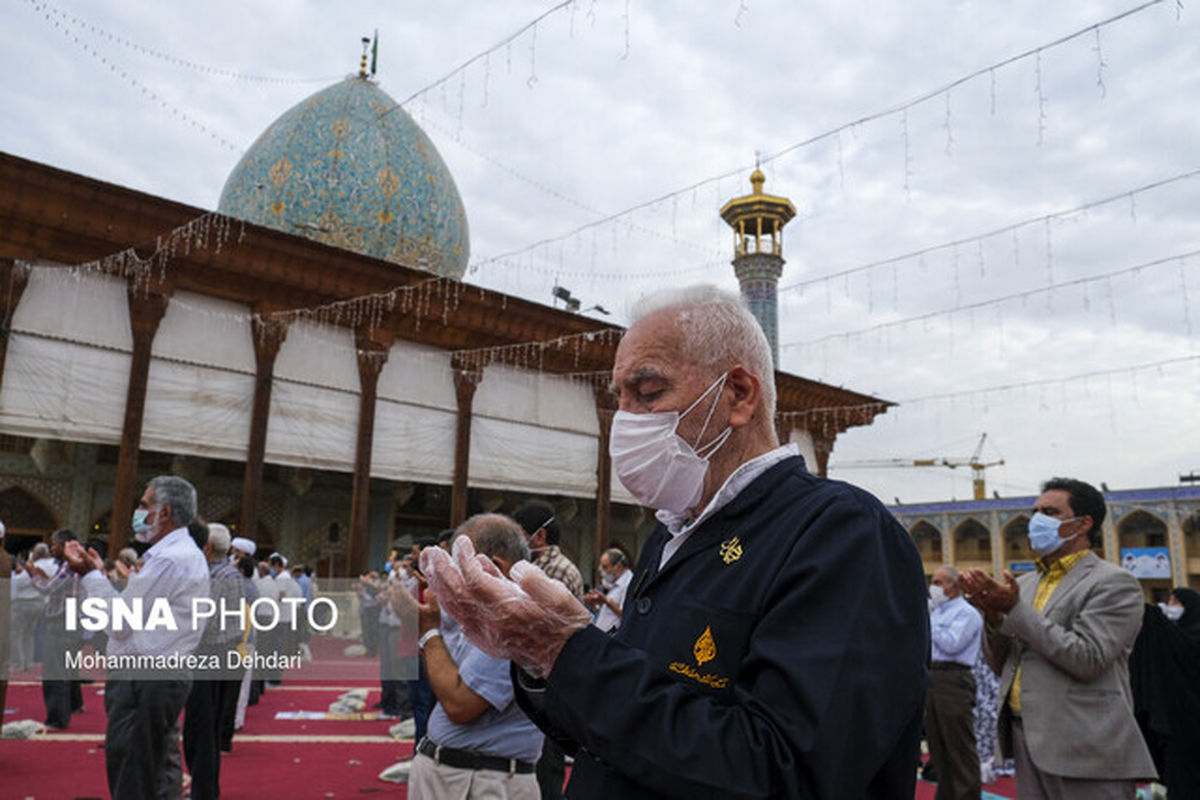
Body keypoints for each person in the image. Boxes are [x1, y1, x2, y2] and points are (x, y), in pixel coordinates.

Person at [422, 285, 930, 799]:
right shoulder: (671, 536)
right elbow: (619, 727)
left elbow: (784, 772)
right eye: (618, 399)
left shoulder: (841, 534)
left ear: (739, 395)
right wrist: (535, 658)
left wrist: (566, 651)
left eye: (648, 393)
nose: (625, 420)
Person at [961, 477, 1157, 799]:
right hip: (1027, 735)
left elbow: (1088, 658)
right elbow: (1003, 665)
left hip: (1084, 742)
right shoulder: (1024, 585)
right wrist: (994, 618)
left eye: (1049, 512)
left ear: (1082, 524)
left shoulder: (1113, 583)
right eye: (1035, 511)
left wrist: (1014, 611)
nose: (1036, 520)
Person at [63, 475, 211, 800]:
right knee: (156, 770)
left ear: (165, 513)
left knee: (132, 770)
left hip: (146, 678)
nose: (139, 511)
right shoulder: (182, 553)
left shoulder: (170, 558)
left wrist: (90, 576)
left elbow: (120, 620)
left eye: (145, 505)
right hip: (159, 675)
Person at [401, 515, 544, 799]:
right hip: (463, 775)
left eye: (458, 567)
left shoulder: (513, 617)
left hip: (477, 780)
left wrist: (428, 632)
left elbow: (459, 704)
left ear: (495, 566)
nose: (452, 579)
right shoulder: (486, 613)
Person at [183, 522, 246, 800]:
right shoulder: (233, 573)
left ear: (206, 547)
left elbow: (206, 621)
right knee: (210, 723)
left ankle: (203, 791)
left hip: (208, 653)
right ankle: (205, 788)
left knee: (200, 727)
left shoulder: (212, 576)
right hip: (228, 651)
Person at [1129, 587, 1200, 798]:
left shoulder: (1189, 637)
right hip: (1178, 727)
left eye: (1176, 601)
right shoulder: (1175, 636)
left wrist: (1154, 619)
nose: (1170, 606)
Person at [924, 565, 983, 800]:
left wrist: (929, 625)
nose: (934, 588)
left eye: (939, 583)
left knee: (959, 749)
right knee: (939, 749)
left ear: (954, 586)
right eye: (934, 582)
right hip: (933, 677)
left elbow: (952, 644)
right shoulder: (937, 612)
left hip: (953, 680)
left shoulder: (966, 613)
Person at [29, 528, 84, 729]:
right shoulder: (77, 562)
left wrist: (32, 574)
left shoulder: (69, 564)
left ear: (64, 545)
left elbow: (48, 588)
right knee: (68, 664)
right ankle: (73, 704)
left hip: (63, 617)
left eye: (55, 544)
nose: (52, 548)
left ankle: (57, 718)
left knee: (55, 668)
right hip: (73, 616)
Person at [512, 501, 584, 599]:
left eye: (520, 536)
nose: (516, 543)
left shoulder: (557, 569)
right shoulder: (538, 565)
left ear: (540, 536)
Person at [583, 548, 632, 634]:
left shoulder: (628, 584)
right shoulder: (615, 584)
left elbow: (626, 614)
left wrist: (606, 600)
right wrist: (594, 605)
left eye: (605, 567)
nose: (601, 571)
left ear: (619, 566)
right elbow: (609, 613)